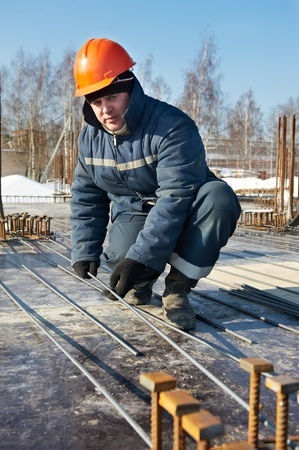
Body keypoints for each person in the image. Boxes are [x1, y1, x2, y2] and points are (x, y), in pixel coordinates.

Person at [71, 37, 241, 331]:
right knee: (125, 263)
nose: (105, 109)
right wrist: (85, 250)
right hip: (134, 211)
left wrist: (142, 258)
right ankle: (141, 282)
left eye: (112, 97)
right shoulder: (90, 138)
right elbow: (87, 196)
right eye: (96, 102)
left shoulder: (171, 127)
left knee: (220, 198)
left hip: (188, 207)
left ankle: (177, 289)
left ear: (129, 89)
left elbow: (175, 198)